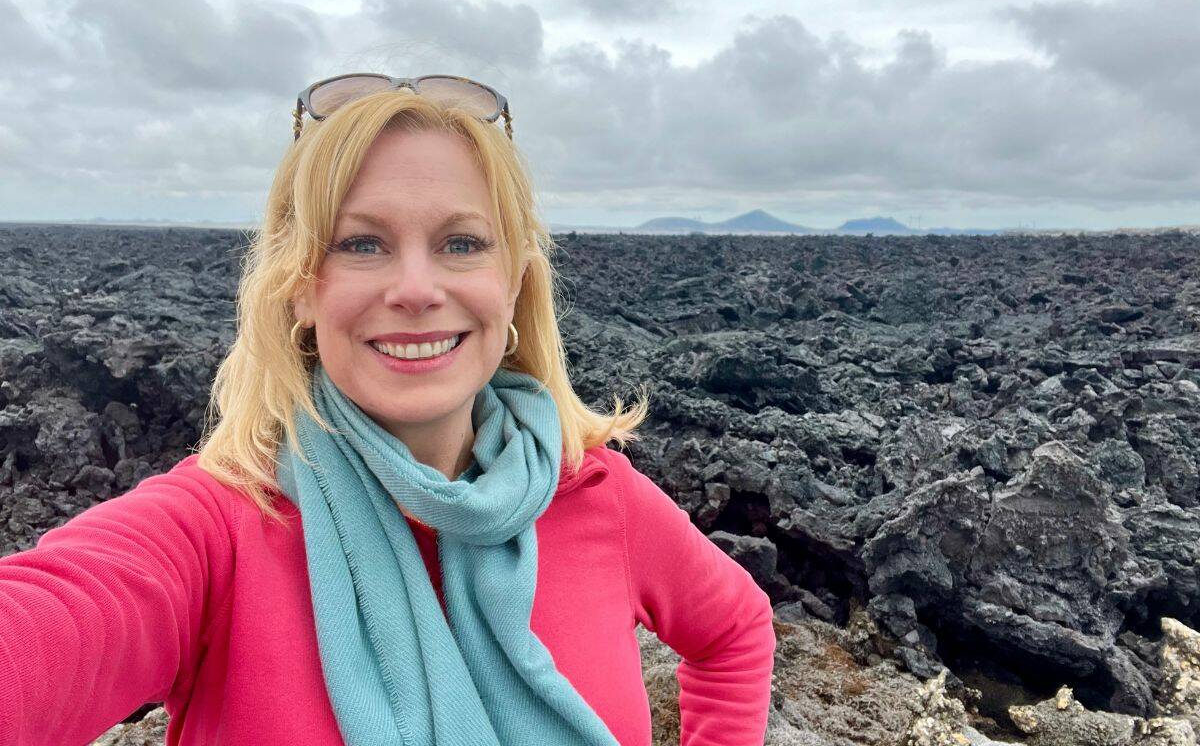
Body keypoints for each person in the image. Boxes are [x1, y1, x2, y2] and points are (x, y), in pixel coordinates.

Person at [0, 74, 777, 745]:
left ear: (514, 283)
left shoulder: (598, 495)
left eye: (461, 243)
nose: (414, 288)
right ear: (300, 287)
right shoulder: (214, 533)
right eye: (361, 244)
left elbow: (736, 629)